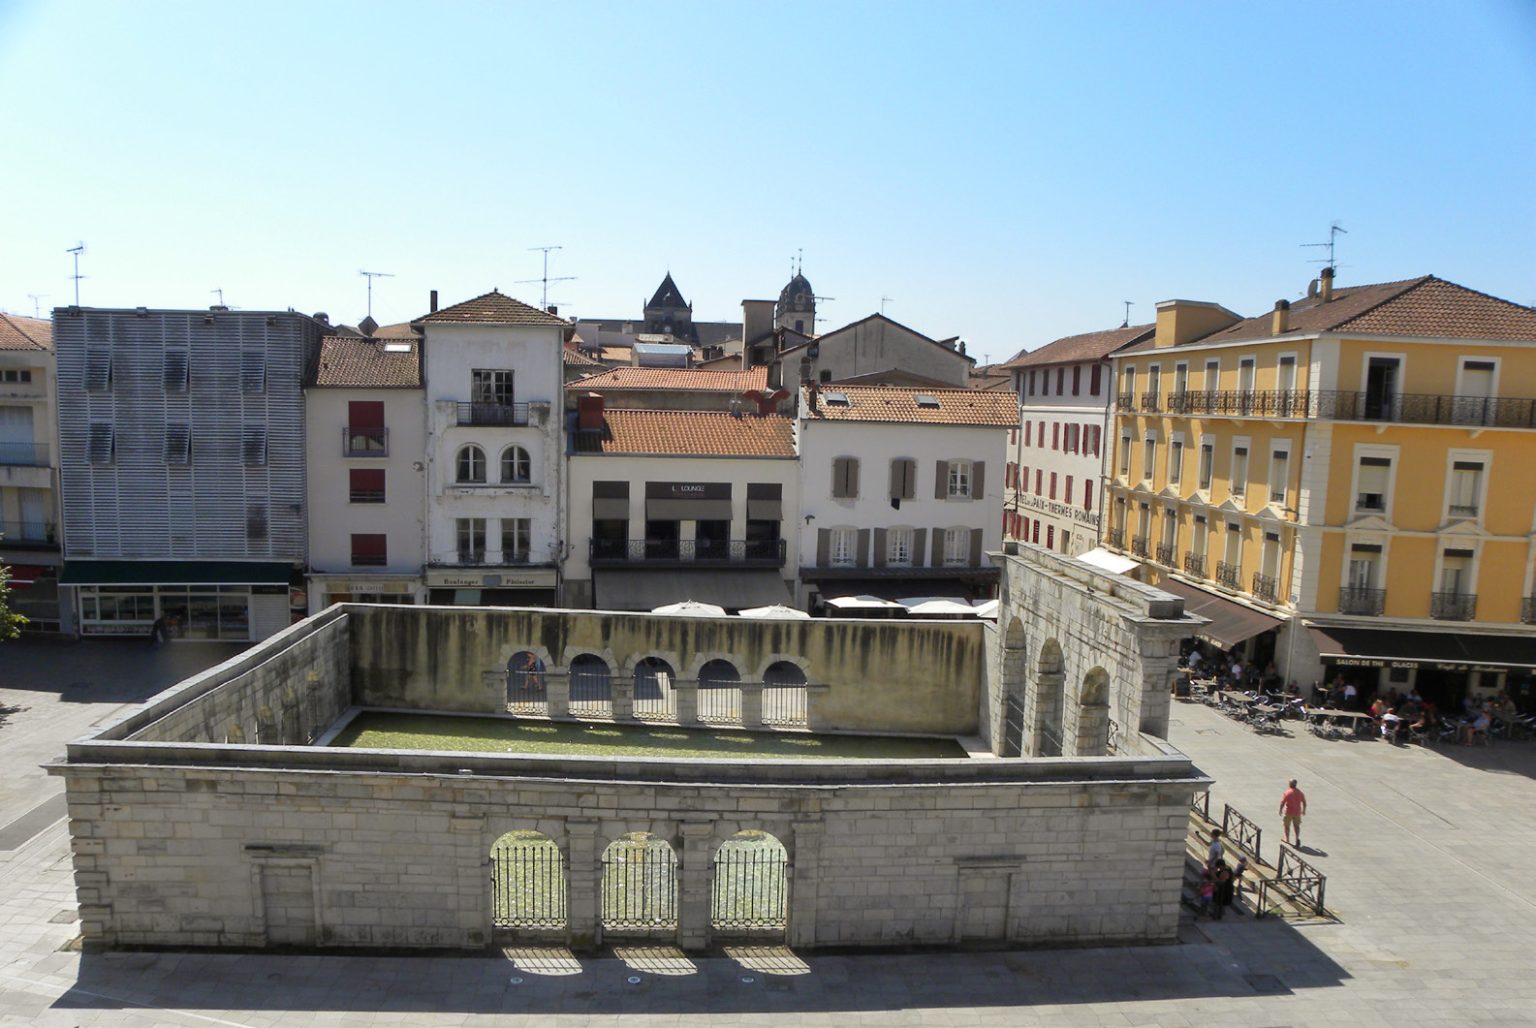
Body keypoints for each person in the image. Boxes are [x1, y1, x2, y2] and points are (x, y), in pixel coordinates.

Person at [1280, 779, 1307, 847]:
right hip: (1297, 812)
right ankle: (1297, 838)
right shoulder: (1300, 793)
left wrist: (1280, 810)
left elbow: (1283, 802)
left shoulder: (1287, 792)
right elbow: (1304, 802)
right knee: (1296, 826)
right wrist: (1304, 810)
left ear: (1290, 784)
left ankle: (1287, 839)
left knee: (1286, 826)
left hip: (1288, 812)